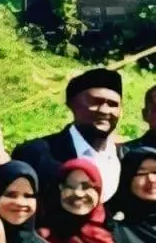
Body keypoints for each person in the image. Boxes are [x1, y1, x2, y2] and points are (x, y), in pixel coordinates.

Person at [11, 67, 125, 199]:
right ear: (72, 104)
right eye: (96, 102)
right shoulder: (36, 154)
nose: (104, 111)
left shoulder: (127, 158)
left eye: (113, 105)